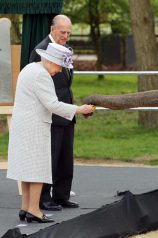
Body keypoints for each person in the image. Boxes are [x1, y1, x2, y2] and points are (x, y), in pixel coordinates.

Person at [7, 43, 95, 223]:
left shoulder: (29, 68)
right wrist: (80, 109)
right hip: (35, 126)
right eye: (58, 66)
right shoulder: (42, 75)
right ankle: (34, 209)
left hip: (23, 125)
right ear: (50, 60)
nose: (59, 71)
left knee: (26, 168)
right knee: (38, 168)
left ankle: (25, 207)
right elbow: (53, 104)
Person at [29, 15, 78, 211]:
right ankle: (43, 198)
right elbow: (36, 82)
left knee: (65, 157)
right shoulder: (40, 50)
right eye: (62, 32)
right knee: (49, 156)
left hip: (66, 111)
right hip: (50, 112)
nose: (66, 36)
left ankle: (61, 195)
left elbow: (66, 81)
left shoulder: (65, 48)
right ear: (52, 29)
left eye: (68, 32)